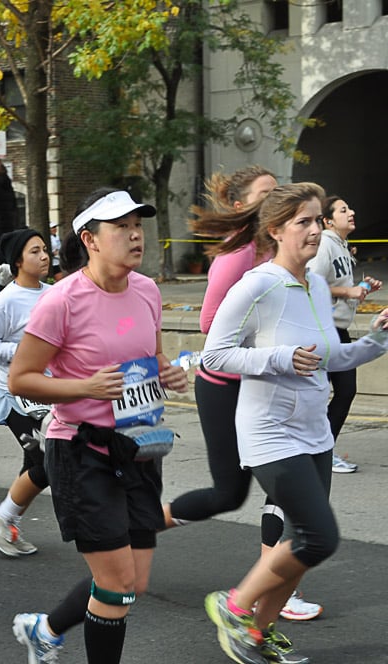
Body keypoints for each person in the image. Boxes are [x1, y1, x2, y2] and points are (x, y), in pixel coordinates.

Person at [201, 182, 388, 664]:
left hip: (314, 428)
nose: (314, 229)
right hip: (269, 431)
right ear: (275, 230)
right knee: (318, 536)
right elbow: (215, 355)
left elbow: (329, 355)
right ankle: (234, 604)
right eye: (302, 221)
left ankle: (256, 634)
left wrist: (376, 340)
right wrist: (280, 358)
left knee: (300, 543)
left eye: (317, 220)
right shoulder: (258, 283)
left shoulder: (318, 286)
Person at [6, 187, 187, 664]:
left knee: (132, 583)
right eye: (121, 227)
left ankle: (44, 628)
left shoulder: (147, 290)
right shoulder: (61, 301)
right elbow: (19, 379)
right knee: (116, 583)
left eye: (137, 225)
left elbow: (150, 355)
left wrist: (168, 372)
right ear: (90, 238)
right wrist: (85, 387)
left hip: (138, 447)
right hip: (80, 452)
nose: (134, 235)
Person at [163, 165, 323, 623]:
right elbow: (210, 327)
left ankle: (273, 591)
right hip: (226, 389)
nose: (282, 200)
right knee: (228, 495)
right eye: (270, 195)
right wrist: (271, 349)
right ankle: (143, 524)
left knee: (287, 494)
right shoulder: (238, 257)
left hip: (269, 388)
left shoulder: (283, 255)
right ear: (243, 207)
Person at [0, 228, 51, 557]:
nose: (45, 256)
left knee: (36, 463)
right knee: (50, 461)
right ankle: (0, 519)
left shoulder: (55, 293)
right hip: (18, 395)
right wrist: (23, 351)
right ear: (18, 260)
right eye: (35, 251)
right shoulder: (3, 302)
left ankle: (6, 521)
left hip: (51, 392)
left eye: (45, 249)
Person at [306, 196, 382, 473]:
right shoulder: (325, 244)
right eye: (343, 210)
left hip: (338, 328)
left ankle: (322, 451)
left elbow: (335, 286)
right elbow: (310, 283)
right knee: (326, 392)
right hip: (324, 330)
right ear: (327, 220)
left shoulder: (341, 245)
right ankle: (317, 453)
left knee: (343, 391)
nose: (351, 212)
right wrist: (348, 291)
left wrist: (361, 287)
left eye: (349, 208)